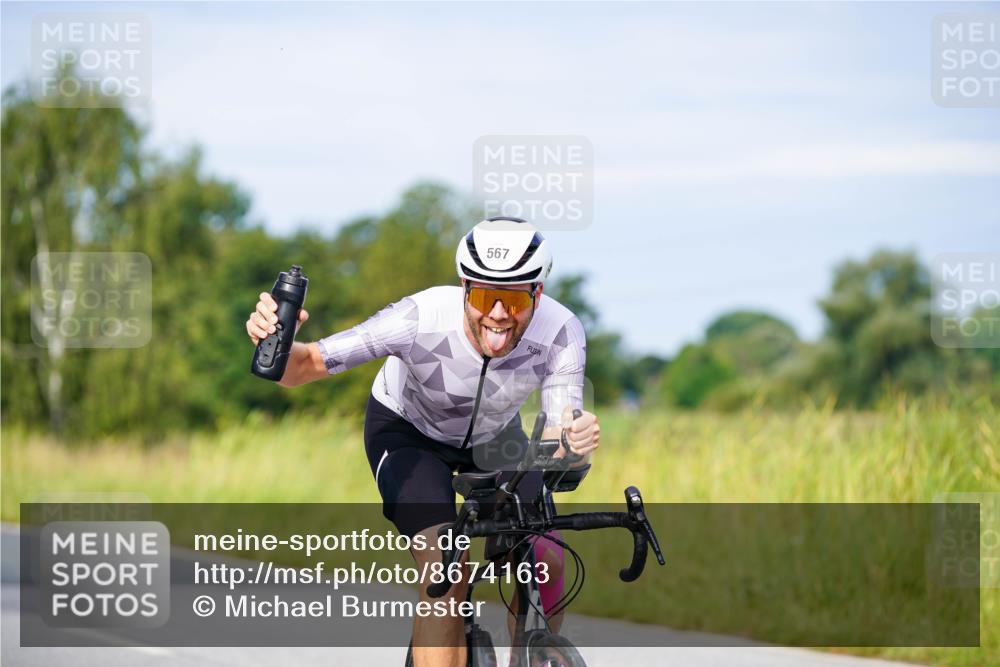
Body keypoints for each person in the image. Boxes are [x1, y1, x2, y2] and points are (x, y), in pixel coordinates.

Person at [246, 216, 600, 667]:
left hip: (495, 435)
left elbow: (557, 429)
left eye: (511, 299)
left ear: (537, 294)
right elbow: (304, 366)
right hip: (408, 430)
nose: (496, 313)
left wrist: (570, 442)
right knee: (446, 566)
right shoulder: (419, 317)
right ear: (464, 287)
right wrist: (277, 339)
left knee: (546, 556)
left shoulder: (561, 331)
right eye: (484, 296)